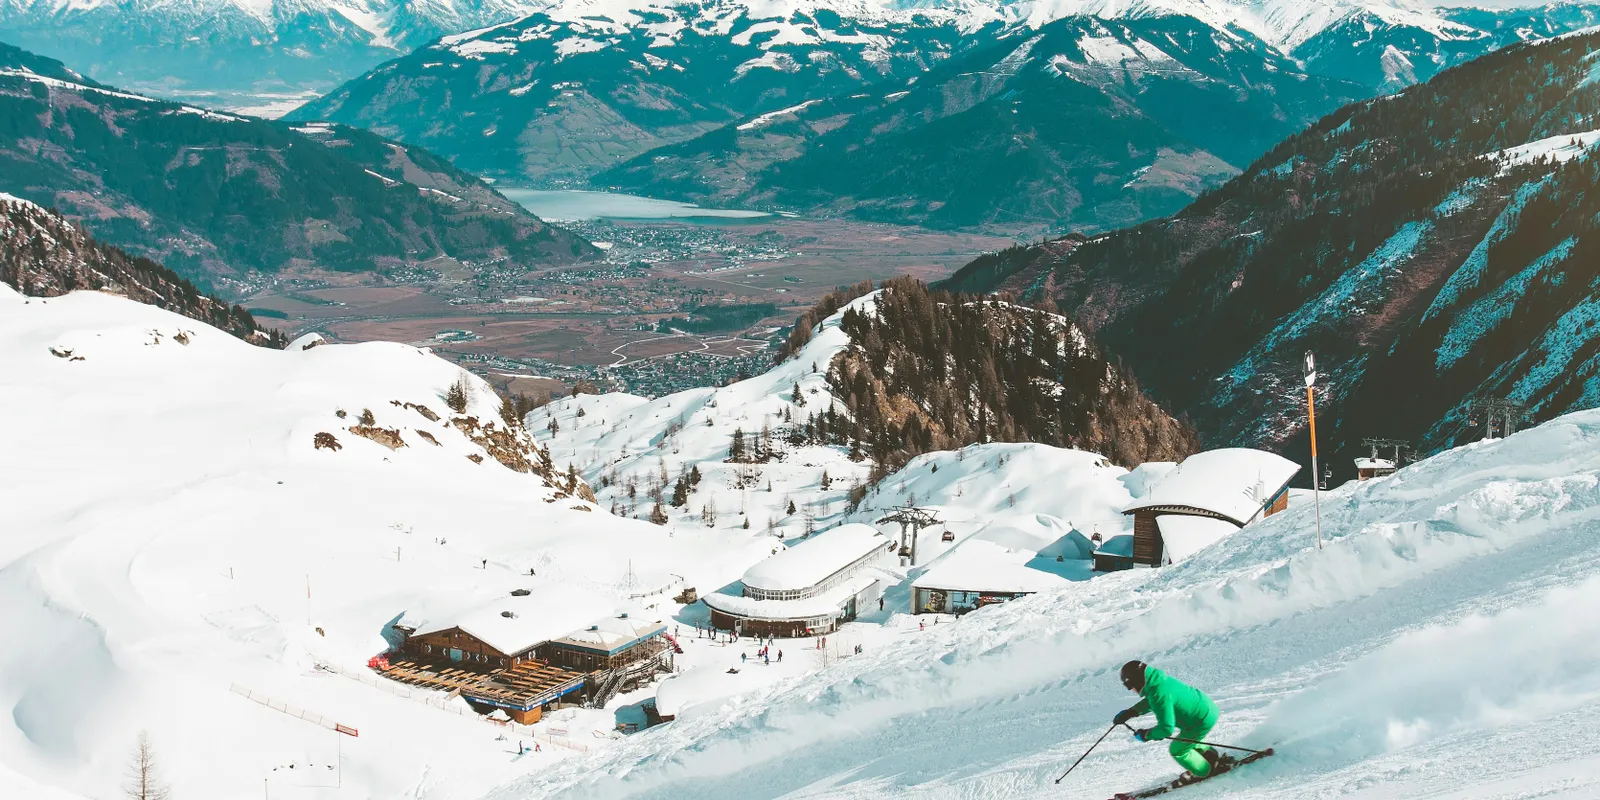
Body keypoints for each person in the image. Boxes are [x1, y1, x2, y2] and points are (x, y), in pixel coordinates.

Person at [1112, 660, 1223, 782]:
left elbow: (1166, 728)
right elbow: (1153, 700)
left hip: (1200, 721)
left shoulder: (1158, 693)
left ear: (1137, 681)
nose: (1132, 690)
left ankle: (1204, 771)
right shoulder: (1158, 681)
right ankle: (1211, 756)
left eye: (1130, 686)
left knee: (1177, 750)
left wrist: (1146, 735)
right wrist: (1131, 712)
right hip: (1206, 709)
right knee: (1187, 740)